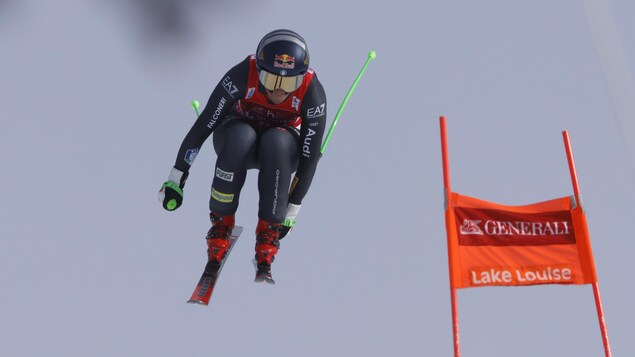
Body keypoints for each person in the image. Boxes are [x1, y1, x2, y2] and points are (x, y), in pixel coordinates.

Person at [159, 29, 327, 279]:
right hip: (237, 139)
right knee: (242, 135)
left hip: (281, 149)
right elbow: (204, 125)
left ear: (300, 78)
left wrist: (290, 213)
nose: (279, 91)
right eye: (271, 80)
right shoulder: (241, 75)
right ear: (258, 70)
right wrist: (176, 178)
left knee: (277, 140)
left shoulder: (312, 92)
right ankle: (221, 222)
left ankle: (268, 232)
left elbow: (310, 157)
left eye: (289, 83)